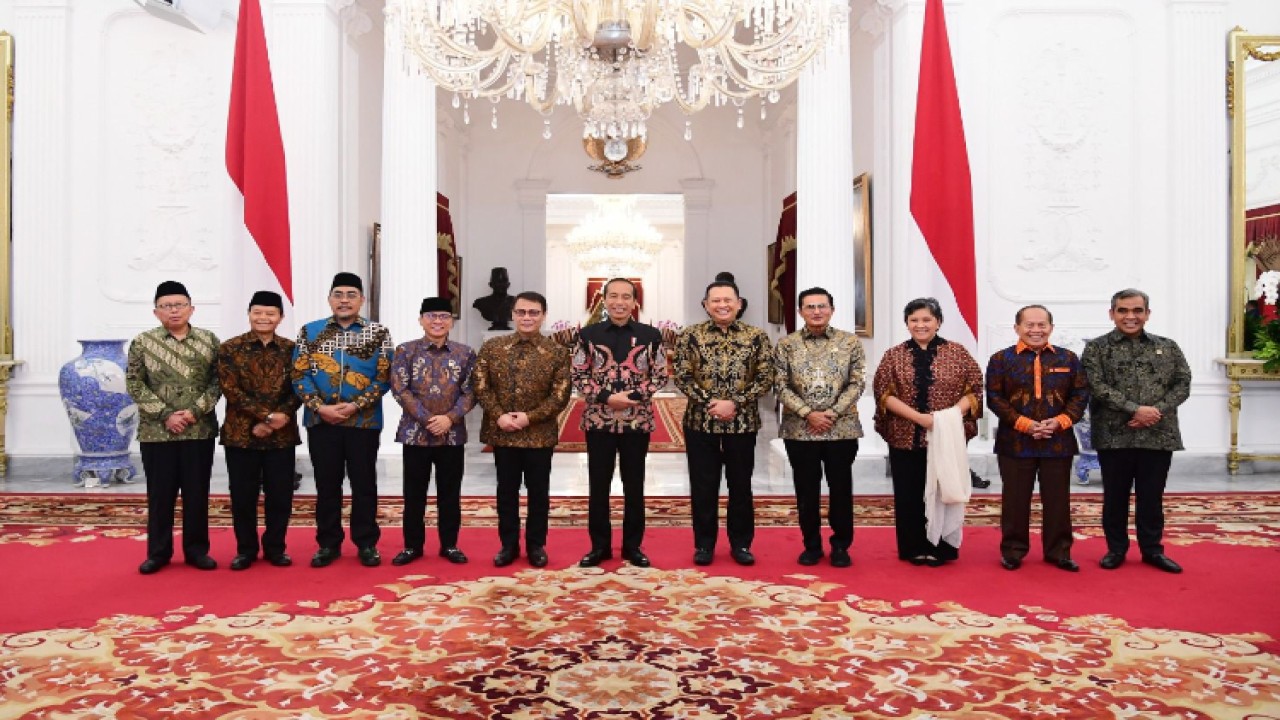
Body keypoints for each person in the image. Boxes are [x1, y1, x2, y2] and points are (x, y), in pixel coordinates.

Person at [1081, 289, 1192, 574]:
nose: (1130, 316)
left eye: (1137, 311)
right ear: (1112, 314)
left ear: (1147, 314)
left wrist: (1154, 412)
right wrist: (1135, 409)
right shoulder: (1096, 348)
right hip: (1114, 434)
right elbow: (1096, 385)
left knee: (1151, 497)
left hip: (1158, 433)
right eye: (1123, 311)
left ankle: (1152, 551)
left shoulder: (1168, 346)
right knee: (1115, 497)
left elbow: (1183, 383)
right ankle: (1116, 549)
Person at [293, 272, 394, 569]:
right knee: (326, 485)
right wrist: (319, 407)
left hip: (363, 423)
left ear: (361, 299)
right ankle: (328, 544)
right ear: (330, 299)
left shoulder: (378, 333)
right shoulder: (310, 332)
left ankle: (366, 543)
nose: (344, 300)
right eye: (338, 294)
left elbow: (384, 378)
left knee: (364, 484)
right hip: (321, 422)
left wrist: (354, 406)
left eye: (351, 294)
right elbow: (299, 374)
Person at [873, 297, 983, 567]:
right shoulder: (893, 355)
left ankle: (942, 547)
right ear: (907, 324)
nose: (920, 325)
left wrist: (948, 417)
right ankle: (913, 547)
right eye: (914, 320)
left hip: (947, 436)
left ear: (938, 322)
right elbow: (884, 394)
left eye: (926, 320)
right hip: (904, 434)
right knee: (909, 492)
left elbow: (975, 390)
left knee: (944, 489)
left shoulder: (958, 353)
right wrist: (920, 419)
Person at [673, 279, 774, 566]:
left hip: (742, 424)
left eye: (728, 300)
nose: (722, 305)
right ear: (705, 305)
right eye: (715, 300)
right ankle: (704, 545)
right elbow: (682, 375)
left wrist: (735, 402)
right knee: (703, 486)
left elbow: (766, 377)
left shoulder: (757, 337)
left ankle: (741, 544)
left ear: (739, 303)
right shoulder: (690, 336)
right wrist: (711, 402)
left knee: (740, 485)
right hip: (700, 422)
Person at [571, 278, 668, 569]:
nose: (619, 302)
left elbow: (660, 374)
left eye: (626, 296)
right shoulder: (588, 334)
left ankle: (632, 547)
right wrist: (605, 397)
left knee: (634, 485)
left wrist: (633, 397)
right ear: (604, 299)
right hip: (598, 422)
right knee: (598, 487)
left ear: (634, 301)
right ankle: (598, 547)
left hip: (636, 422)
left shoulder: (651, 335)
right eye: (613, 296)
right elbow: (578, 374)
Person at [127, 280, 221, 574]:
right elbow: (134, 383)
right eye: (166, 306)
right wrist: (166, 414)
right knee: (160, 494)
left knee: (197, 493)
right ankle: (158, 552)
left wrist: (193, 412)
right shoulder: (143, 342)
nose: (174, 311)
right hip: (157, 433)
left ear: (191, 308)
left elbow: (218, 382)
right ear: (156, 312)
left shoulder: (209, 341)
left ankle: (196, 551)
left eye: (179, 305)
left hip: (198, 430)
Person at [986, 305, 1088, 573]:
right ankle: (1013, 552)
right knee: (1015, 501)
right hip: (1015, 442)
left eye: (1042, 325)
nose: (1036, 330)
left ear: (1051, 328)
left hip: (1058, 441)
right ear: (1017, 328)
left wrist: (1060, 422)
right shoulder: (1000, 360)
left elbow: (1080, 395)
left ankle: (1059, 552)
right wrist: (1027, 425)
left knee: (1058, 501)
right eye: (1029, 325)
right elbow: (994, 398)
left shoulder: (1068, 359)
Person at [473, 291, 571, 568]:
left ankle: (536, 545)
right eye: (522, 312)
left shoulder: (557, 352)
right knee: (506, 491)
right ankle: (508, 545)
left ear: (543, 315)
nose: (527, 318)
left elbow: (560, 395)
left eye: (533, 313)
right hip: (503, 432)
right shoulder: (493, 347)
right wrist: (499, 415)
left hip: (539, 435)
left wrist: (529, 417)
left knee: (539, 493)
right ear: (513, 314)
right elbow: (481, 386)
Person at [774, 287, 865, 568]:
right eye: (810, 306)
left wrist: (832, 412)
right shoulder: (786, 345)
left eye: (822, 306)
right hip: (799, 430)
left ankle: (841, 546)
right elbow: (780, 384)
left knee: (840, 489)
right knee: (806, 490)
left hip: (842, 429)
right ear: (800, 311)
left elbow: (857, 381)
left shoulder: (850, 342)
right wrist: (807, 413)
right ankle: (811, 545)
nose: (816, 311)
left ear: (832, 310)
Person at [389, 297, 476, 567]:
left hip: (451, 435)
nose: (437, 321)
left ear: (451, 321)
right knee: (413, 493)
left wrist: (449, 418)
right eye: (431, 316)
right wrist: (429, 419)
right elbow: (399, 389)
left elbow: (472, 391)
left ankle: (449, 544)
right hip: (415, 434)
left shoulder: (466, 353)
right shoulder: (405, 351)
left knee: (450, 493)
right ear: (420, 320)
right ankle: (412, 546)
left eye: (443, 316)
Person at [217, 290, 301, 570]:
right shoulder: (230, 348)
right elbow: (230, 389)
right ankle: (246, 550)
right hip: (241, 433)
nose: (263, 318)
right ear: (250, 314)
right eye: (258, 312)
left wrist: (281, 416)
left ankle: (276, 548)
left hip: (282, 434)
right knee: (242, 496)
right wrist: (265, 416)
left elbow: (300, 388)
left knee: (281, 495)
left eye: (270, 313)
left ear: (280, 317)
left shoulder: (293, 349)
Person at [472, 266, 516, 331]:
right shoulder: (481, 303)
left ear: (508, 284)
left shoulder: (516, 302)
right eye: (498, 282)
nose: (501, 285)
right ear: (491, 284)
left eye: (504, 281)